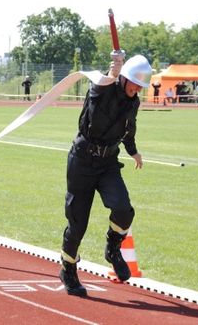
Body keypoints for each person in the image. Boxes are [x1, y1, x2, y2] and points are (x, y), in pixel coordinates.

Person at [59, 54, 152, 297]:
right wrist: (113, 72)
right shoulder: (103, 88)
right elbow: (101, 87)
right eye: (133, 83)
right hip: (82, 160)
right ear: (123, 78)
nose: (135, 89)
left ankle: (113, 248)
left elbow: (129, 128)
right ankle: (68, 268)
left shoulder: (134, 101)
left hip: (108, 161)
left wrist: (133, 152)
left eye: (140, 86)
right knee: (77, 223)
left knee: (123, 209)